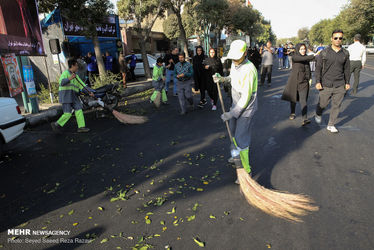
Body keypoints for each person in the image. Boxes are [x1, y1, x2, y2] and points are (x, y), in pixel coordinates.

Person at [213, 39, 258, 178]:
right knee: (232, 134)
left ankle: (246, 170)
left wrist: (232, 113)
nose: (235, 60)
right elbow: (232, 78)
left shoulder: (249, 69)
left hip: (246, 109)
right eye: (233, 57)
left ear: (245, 53)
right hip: (235, 104)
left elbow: (246, 96)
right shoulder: (234, 64)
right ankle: (235, 156)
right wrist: (222, 79)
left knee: (241, 139)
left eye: (237, 58)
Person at [315, 29, 350, 133]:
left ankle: (331, 124)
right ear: (331, 39)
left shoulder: (345, 53)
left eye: (340, 38)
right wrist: (318, 81)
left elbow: (347, 69)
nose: (338, 40)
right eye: (336, 38)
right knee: (323, 104)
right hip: (326, 84)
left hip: (340, 84)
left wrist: (347, 82)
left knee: (336, 105)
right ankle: (318, 113)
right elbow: (318, 68)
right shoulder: (324, 52)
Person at [51, 58, 94, 133]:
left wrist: (89, 92)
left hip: (74, 96)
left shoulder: (76, 76)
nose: (77, 67)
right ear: (72, 66)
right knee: (67, 113)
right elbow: (61, 83)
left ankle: (81, 127)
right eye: (76, 65)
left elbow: (82, 86)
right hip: (66, 96)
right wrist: (69, 78)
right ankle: (56, 124)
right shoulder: (65, 73)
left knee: (79, 109)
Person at [282, 43, 319, 126]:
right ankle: (292, 112)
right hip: (294, 81)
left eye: (304, 49)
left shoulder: (306, 57)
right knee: (293, 99)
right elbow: (304, 58)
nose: (303, 50)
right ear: (298, 49)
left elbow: (310, 66)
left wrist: (310, 78)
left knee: (303, 101)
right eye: (301, 49)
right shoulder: (295, 57)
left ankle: (305, 119)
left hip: (304, 82)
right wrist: (314, 55)